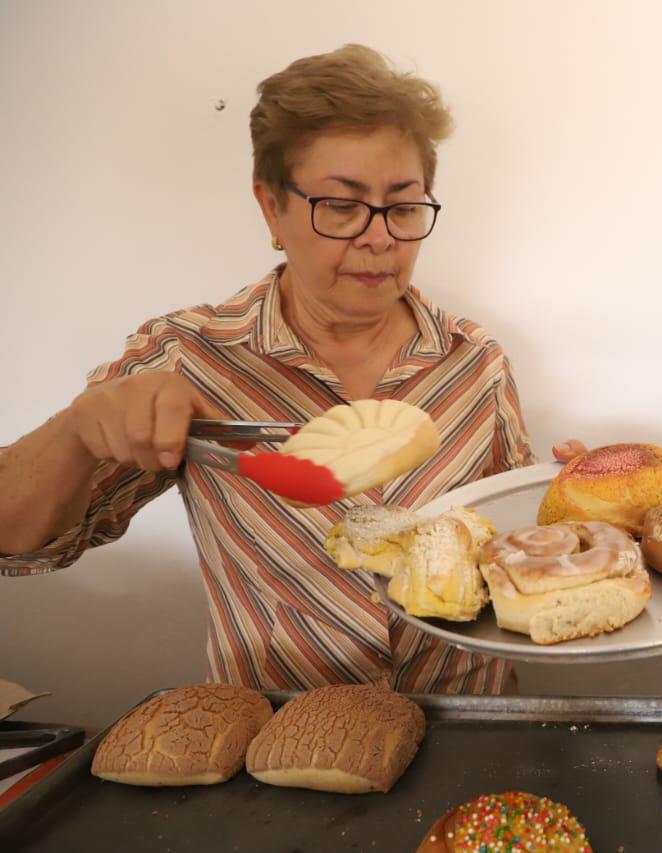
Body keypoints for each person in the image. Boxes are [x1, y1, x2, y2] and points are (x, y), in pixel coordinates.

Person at [0, 45, 537, 696]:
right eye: (341, 205)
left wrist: (577, 517)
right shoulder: (189, 358)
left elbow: (511, 542)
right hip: (281, 755)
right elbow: (17, 541)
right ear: (271, 209)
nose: (379, 238)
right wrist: (75, 431)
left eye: (402, 205)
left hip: (472, 736)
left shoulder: (474, 361)